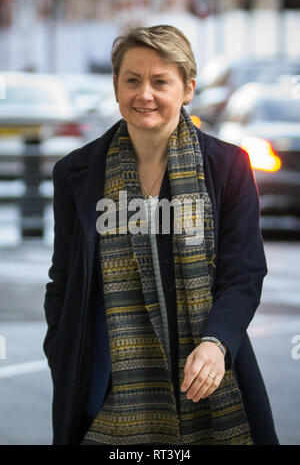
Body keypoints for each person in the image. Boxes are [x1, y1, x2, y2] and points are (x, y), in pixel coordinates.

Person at [43, 25, 279, 446]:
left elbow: (243, 274)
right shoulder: (76, 173)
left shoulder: (228, 166)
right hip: (107, 389)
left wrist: (217, 343)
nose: (144, 94)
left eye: (160, 82)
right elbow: (63, 278)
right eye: (132, 80)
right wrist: (62, 351)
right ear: (116, 86)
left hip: (205, 376)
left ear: (187, 89)